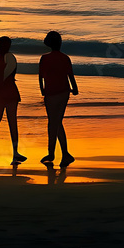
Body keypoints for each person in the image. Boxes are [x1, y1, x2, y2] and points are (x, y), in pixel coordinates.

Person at [38, 31, 78, 168]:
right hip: (63, 92)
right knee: (57, 122)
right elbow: (70, 76)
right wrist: (75, 89)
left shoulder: (44, 58)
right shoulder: (65, 58)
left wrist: (42, 90)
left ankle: (53, 153)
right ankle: (63, 154)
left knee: (53, 122)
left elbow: (41, 77)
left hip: (51, 93)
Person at [0, 36, 25, 167]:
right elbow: (11, 75)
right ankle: (15, 152)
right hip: (10, 92)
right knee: (12, 123)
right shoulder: (10, 58)